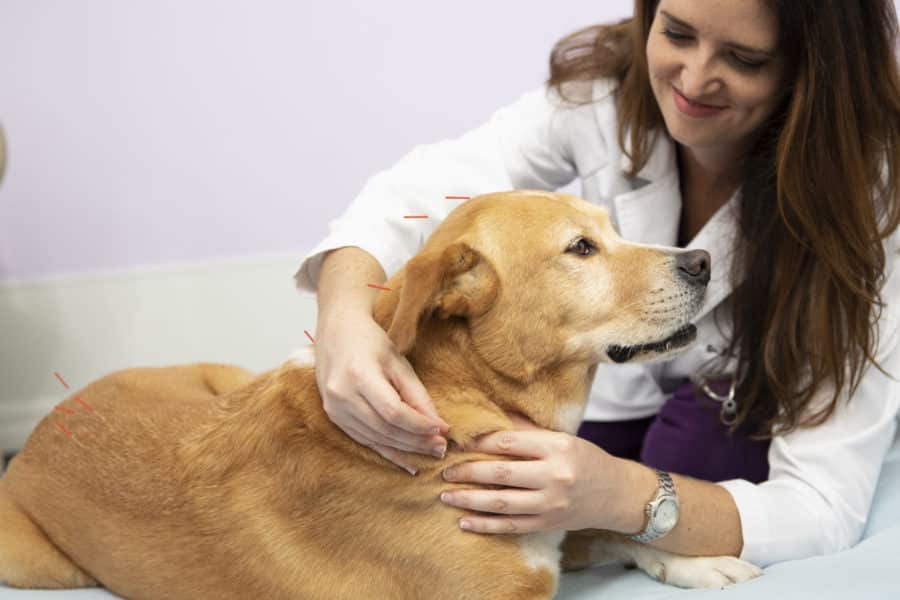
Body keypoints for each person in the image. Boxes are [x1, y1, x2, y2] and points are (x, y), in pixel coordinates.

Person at [294, 0, 900, 569]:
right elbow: (419, 193)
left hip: (740, 408)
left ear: (811, 72)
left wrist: (623, 494)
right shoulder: (599, 101)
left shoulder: (874, 200)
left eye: (744, 60)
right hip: (606, 395)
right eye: (677, 33)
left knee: (691, 452)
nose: (692, 78)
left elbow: (822, 504)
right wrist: (344, 314)